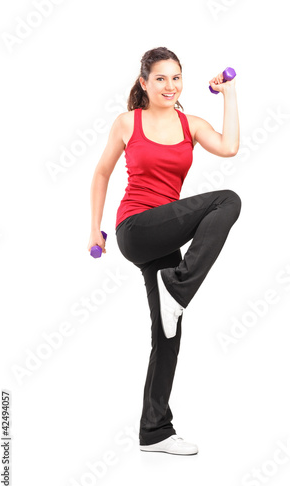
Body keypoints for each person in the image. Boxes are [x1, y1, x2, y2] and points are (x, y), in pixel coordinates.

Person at [87, 47, 241, 456]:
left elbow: (229, 148)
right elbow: (101, 172)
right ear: (144, 83)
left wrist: (229, 95)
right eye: (160, 78)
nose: (170, 86)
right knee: (226, 200)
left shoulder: (189, 124)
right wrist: (93, 231)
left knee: (167, 334)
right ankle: (180, 287)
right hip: (135, 228)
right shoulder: (127, 122)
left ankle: (154, 431)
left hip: (166, 237)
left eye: (176, 78)